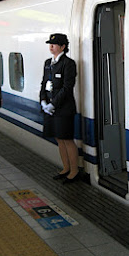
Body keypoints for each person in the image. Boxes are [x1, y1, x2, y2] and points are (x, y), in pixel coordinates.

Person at [40, 33, 79, 184]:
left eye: (54, 44)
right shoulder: (47, 63)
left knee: (67, 139)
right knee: (58, 138)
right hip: (50, 108)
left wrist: (53, 104)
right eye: (50, 44)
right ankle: (66, 168)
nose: (51, 46)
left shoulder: (68, 64)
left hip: (64, 109)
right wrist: (43, 101)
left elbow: (67, 88)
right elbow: (44, 83)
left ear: (63, 47)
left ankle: (74, 171)